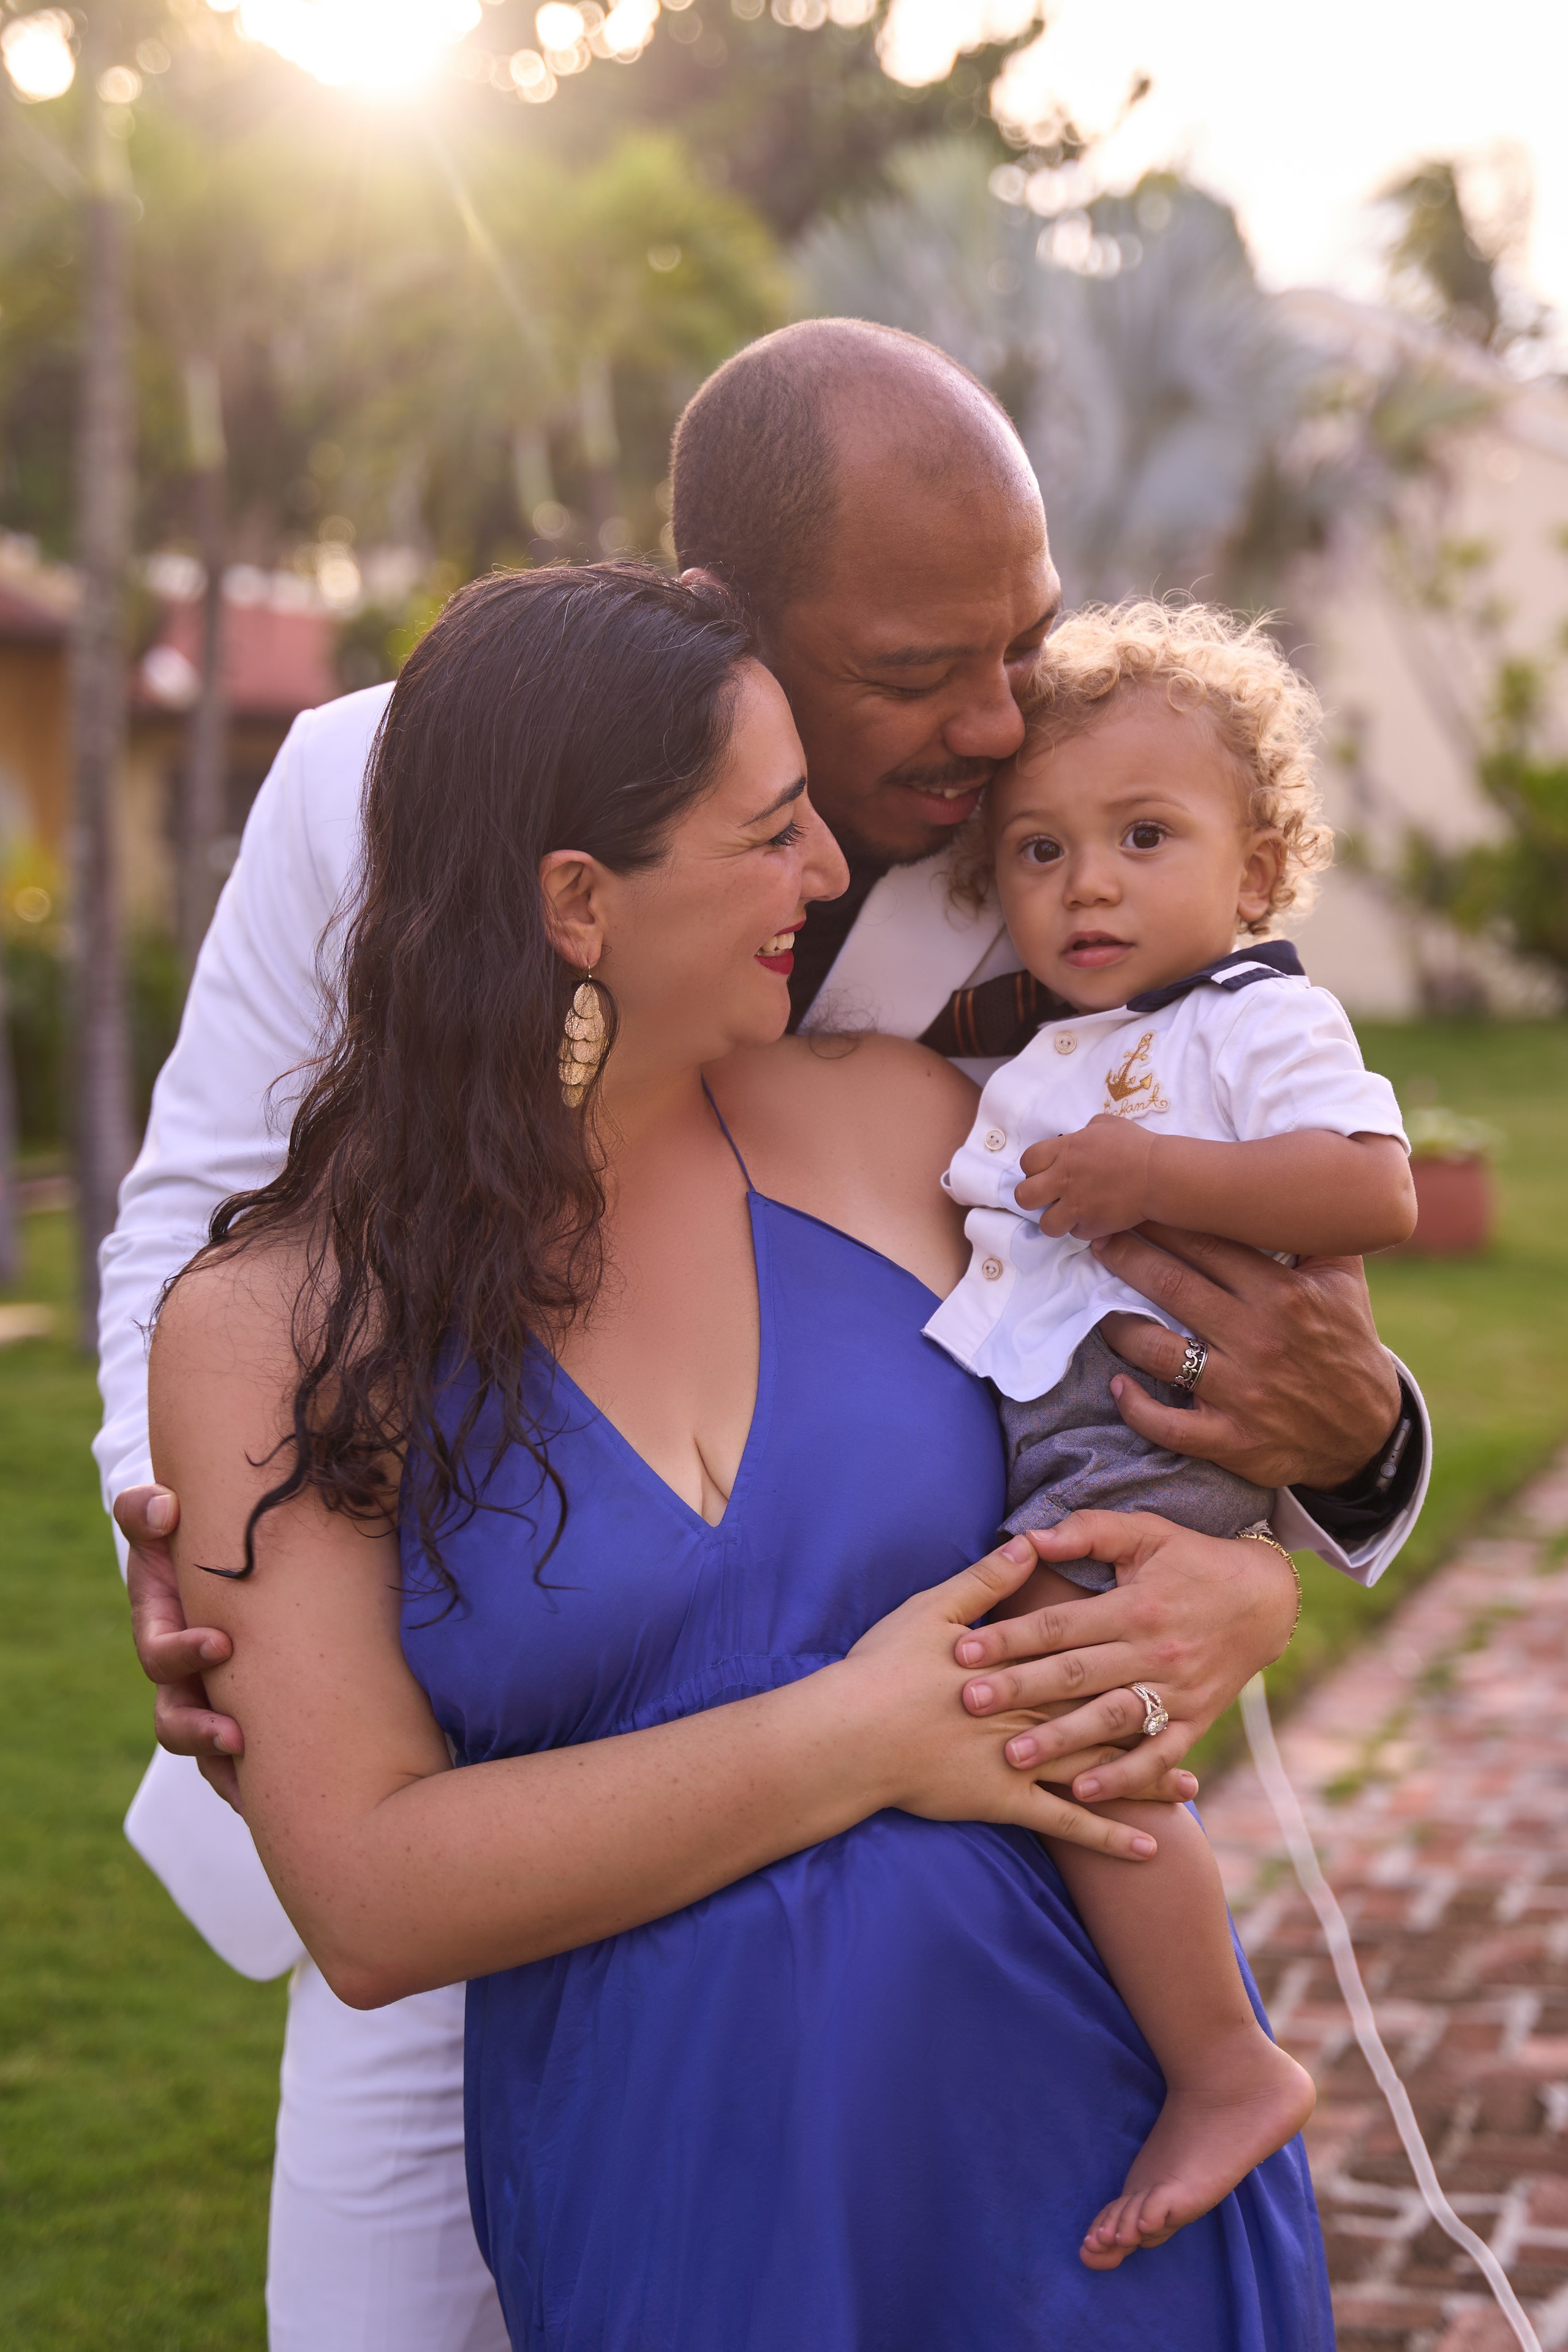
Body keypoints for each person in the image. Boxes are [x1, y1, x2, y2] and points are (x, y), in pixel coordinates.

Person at [99, 321, 1427, 2348]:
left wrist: (1299, 1507)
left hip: (982, 1959)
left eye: (1027, 639)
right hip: (484, 1757)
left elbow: (1209, 1214)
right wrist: (200, 1549)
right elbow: (204, 1203)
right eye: (915, 672)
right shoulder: (373, 786)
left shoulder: (1045, 852)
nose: (998, 723)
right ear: (723, 619)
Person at [923, 599, 1419, 2271]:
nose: (1090, 884)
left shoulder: (1257, 1025)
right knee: (1042, 1711)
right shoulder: (1064, 1050)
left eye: (1147, 837)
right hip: (1061, 1433)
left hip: (1161, 1426)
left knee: (1079, 1716)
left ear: (1260, 872)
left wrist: (1159, 1181)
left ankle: (1225, 2060)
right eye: (1041, 849)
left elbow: (1370, 1187)